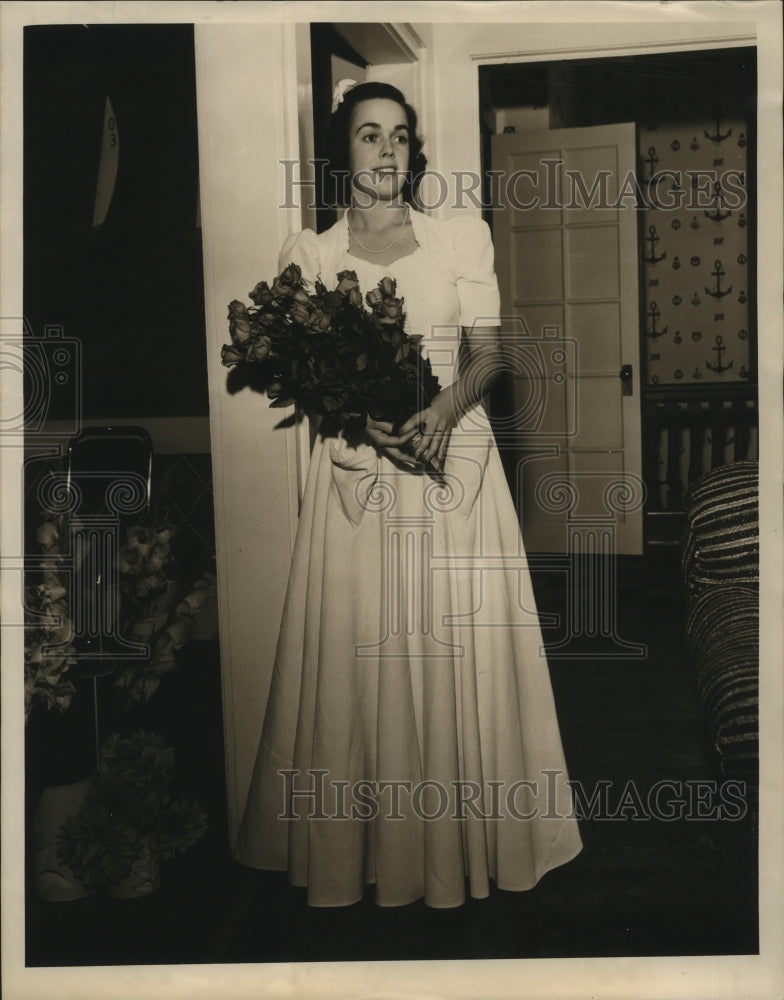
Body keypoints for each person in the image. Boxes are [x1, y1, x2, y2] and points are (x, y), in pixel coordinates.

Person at [234, 80, 583, 908]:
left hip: (453, 467)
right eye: (367, 135)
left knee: (460, 658)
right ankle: (361, 857)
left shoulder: (460, 237)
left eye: (398, 135)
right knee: (360, 664)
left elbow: (491, 357)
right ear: (343, 151)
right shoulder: (310, 256)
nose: (385, 149)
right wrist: (368, 424)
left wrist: (437, 412)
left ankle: (467, 849)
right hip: (359, 482)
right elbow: (307, 381)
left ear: (413, 149)